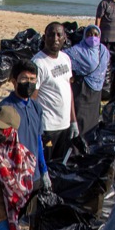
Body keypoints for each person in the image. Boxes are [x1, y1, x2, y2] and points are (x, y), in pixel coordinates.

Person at [0, 60, 49, 189]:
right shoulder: (4, 110)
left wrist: (43, 170)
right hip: (13, 179)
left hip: (34, 176)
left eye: (33, 79)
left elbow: (38, 141)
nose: (29, 83)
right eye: (24, 79)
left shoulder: (36, 108)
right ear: (14, 81)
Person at [32, 22, 79, 160]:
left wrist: (73, 120)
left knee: (60, 165)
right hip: (48, 127)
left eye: (59, 35)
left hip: (64, 125)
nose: (55, 38)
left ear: (65, 38)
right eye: (51, 34)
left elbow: (68, 90)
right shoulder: (38, 63)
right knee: (47, 165)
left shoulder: (65, 59)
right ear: (44, 37)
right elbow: (32, 99)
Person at [68, 24, 110, 136]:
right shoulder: (76, 51)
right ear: (84, 36)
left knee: (93, 120)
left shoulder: (103, 51)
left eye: (95, 34)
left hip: (96, 92)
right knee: (81, 118)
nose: (93, 37)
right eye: (89, 34)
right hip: (82, 90)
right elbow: (65, 61)